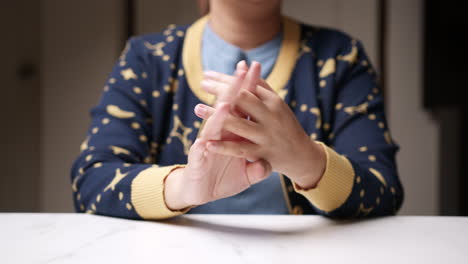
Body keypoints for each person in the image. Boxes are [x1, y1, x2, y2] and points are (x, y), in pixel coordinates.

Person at [71, 0, 403, 220]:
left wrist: (307, 161)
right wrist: (184, 186)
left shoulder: (339, 57)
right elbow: (91, 181)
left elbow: (382, 189)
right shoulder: (146, 58)